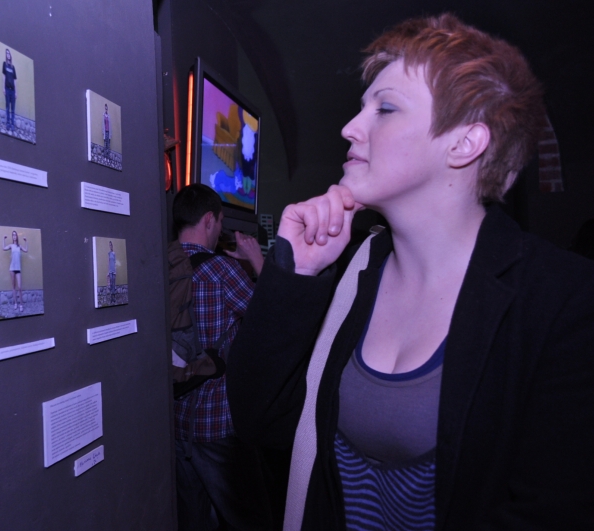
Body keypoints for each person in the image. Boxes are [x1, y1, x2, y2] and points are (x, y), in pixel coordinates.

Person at [226, 13, 594, 531]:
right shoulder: (355, 271)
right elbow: (260, 420)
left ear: (464, 143)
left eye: (386, 108)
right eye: (362, 107)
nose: (350, 127)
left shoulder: (563, 299)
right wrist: (297, 275)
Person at [172, 184, 272, 531]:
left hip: (174, 420)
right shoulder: (221, 270)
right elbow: (272, 317)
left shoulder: (156, 265)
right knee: (251, 519)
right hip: (216, 422)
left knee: (193, 520)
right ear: (209, 220)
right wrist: (257, 260)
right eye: (220, 223)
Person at [3, 231, 28, 313]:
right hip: (12, 268)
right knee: (13, 287)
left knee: (19, 287)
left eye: (15, 235)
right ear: (12, 237)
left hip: (18, 269)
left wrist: (26, 241)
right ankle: (15, 303)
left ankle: (21, 305)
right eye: (13, 235)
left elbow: (26, 250)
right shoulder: (11, 246)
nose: (14, 236)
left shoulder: (19, 246)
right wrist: (3, 239)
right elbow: (3, 248)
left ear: (17, 236)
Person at [2, 49, 17, 131]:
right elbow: (4, 76)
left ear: (10, 55)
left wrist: (16, 92)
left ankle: (12, 125)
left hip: (13, 91)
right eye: (6, 53)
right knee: (8, 107)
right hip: (7, 89)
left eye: (9, 53)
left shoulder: (12, 67)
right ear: (6, 55)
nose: (8, 55)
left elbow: (15, 80)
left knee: (13, 109)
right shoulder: (4, 64)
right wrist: (3, 88)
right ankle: (8, 124)